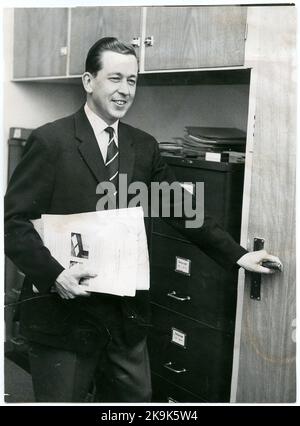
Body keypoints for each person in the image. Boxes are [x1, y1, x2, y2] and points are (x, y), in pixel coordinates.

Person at [4, 37, 282, 403]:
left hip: (124, 321)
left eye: (132, 81)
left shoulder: (143, 146)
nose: (124, 91)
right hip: (64, 317)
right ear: (89, 81)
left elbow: (179, 208)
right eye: (115, 78)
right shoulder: (50, 141)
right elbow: (13, 224)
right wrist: (55, 275)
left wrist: (238, 255)